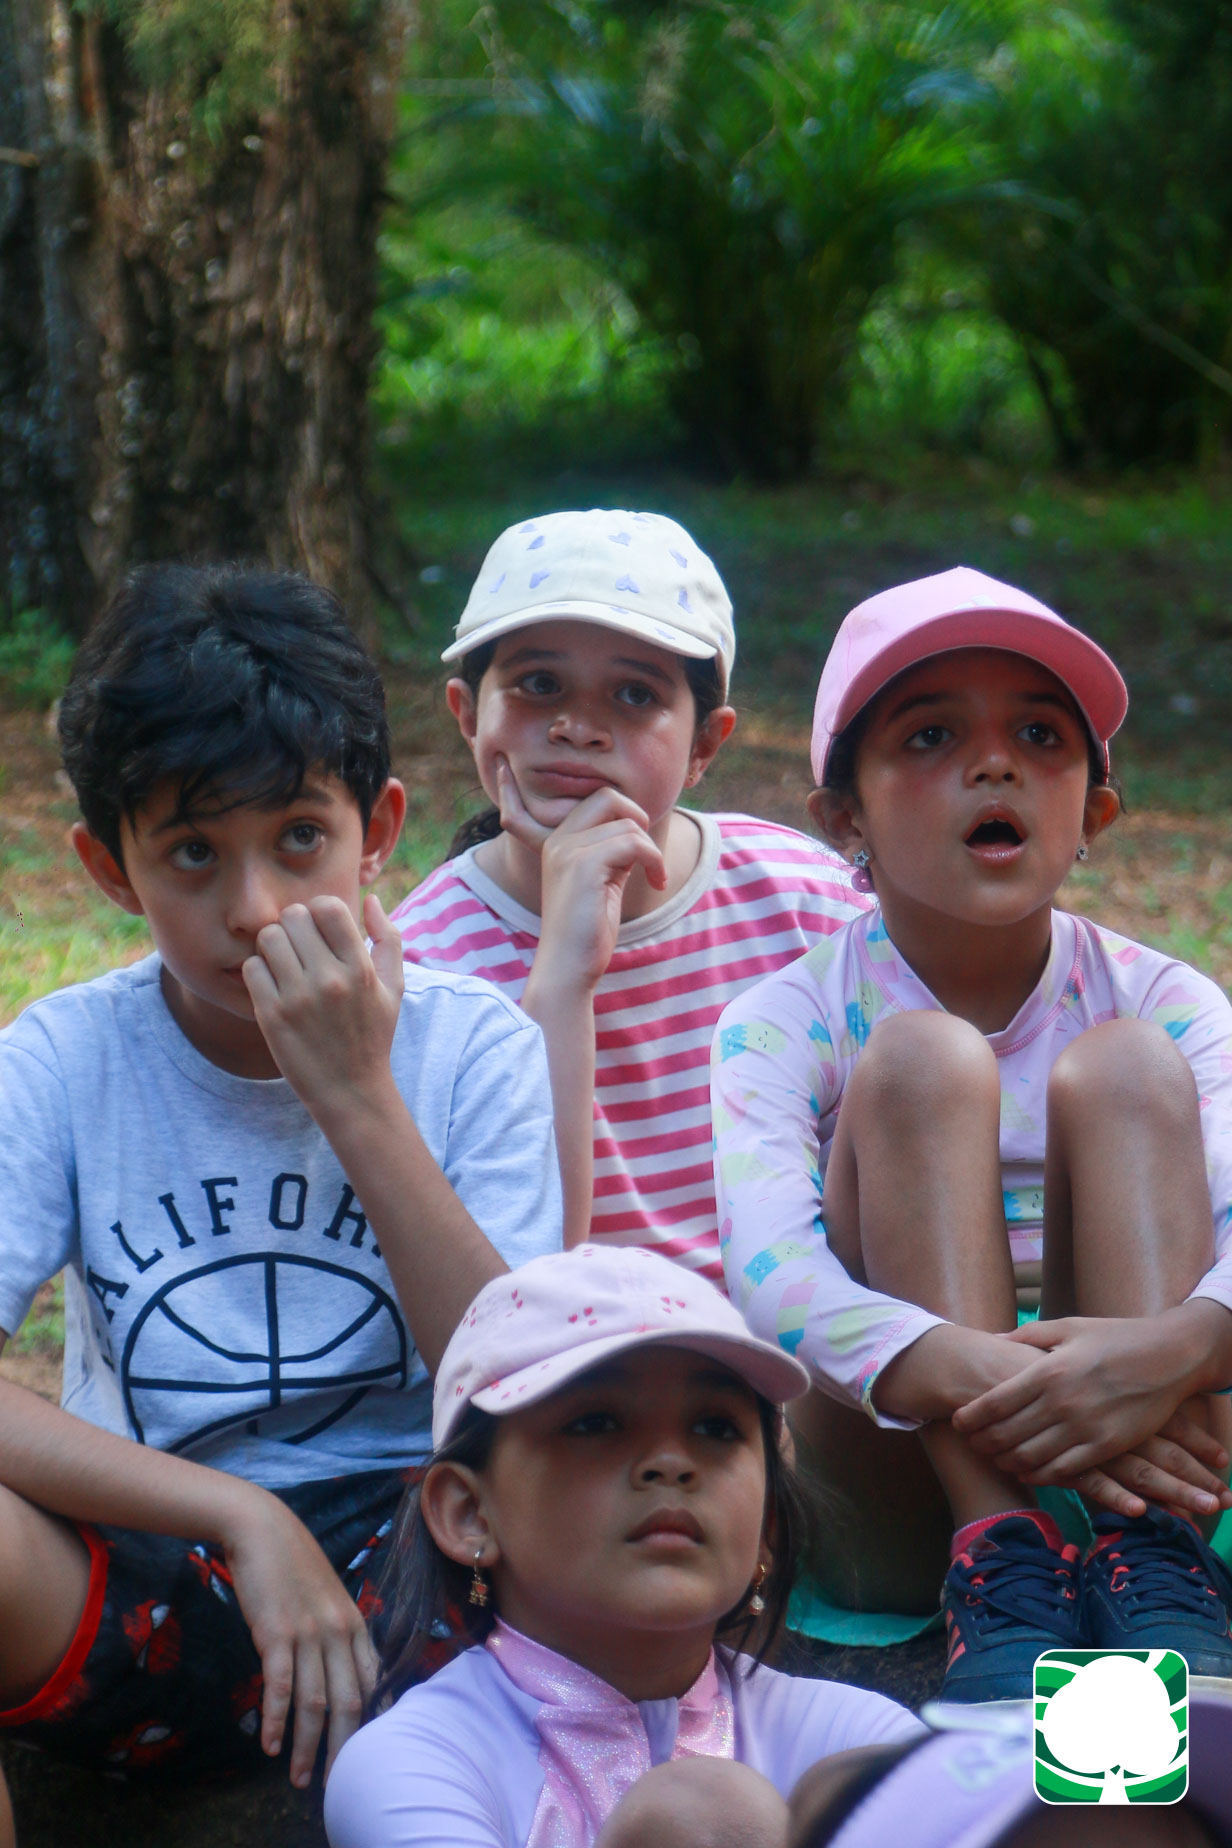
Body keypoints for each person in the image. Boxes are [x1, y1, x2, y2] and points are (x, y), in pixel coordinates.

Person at [0, 566, 561, 1793]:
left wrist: (356, 1093)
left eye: (299, 838)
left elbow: (516, 1388)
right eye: (192, 853)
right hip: (160, 1559)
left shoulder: (473, 1048)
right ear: (110, 868)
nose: (253, 908)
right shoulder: (62, 1060)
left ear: (379, 830)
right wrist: (238, 1515)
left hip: (436, 1560)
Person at [712, 566, 1232, 1706]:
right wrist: (1000, 1380)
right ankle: (1003, 1559)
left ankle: (1148, 1569)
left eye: (1039, 736)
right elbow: (768, 1274)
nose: (994, 765)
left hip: (1150, 1464)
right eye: (930, 735)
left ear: (1092, 815)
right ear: (843, 819)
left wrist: (1177, 1350)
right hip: (900, 1500)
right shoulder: (784, 1017)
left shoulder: (1168, 1005)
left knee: (1131, 1068)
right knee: (919, 1059)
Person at [323, 1243, 924, 1848]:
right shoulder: (410, 1764)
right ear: (467, 1512)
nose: (671, 1461)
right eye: (596, 1422)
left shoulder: (856, 1737)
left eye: (716, 1426)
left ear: (767, 1515)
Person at [390, 508, 868, 1260]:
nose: (577, 727)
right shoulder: (420, 970)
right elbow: (521, 1269)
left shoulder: (811, 904)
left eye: (636, 695)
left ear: (705, 743)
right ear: (467, 713)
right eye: (538, 684)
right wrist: (562, 975)